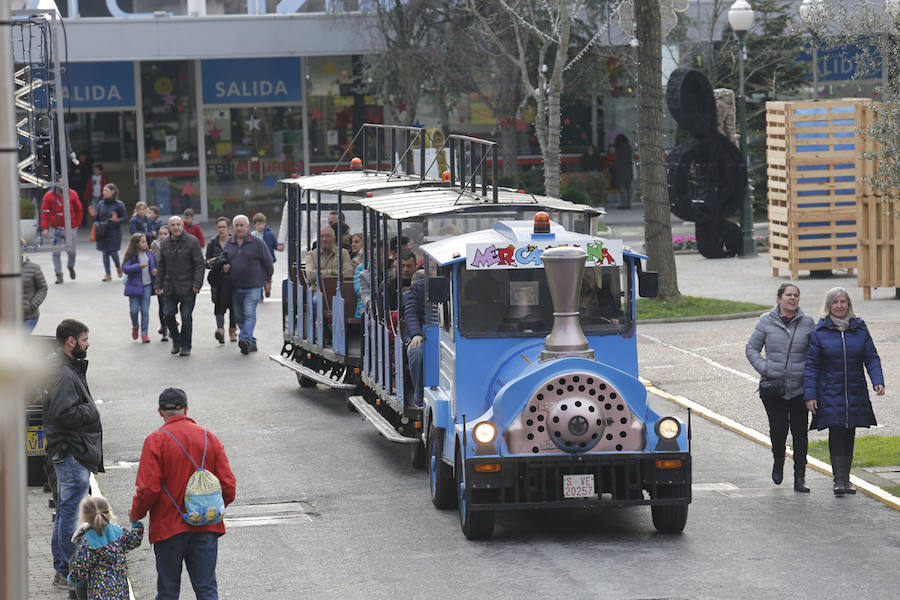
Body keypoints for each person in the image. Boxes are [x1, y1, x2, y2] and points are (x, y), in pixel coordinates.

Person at [130, 388, 236, 600]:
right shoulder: (209, 438)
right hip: (206, 525)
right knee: (206, 588)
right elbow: (229, 486)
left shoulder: (156, 440)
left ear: (160, 412)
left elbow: (149, 488)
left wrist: (136, 513)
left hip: (168, 527)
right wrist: (209, 508)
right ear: (186, 409)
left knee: (168, 591)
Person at [804, 287, 885, 495]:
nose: (839, 306)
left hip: (854, 389)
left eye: (843, 302)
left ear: (848, 304)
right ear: (828, 306)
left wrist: (877, 380)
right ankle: (838, 479)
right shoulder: (820, 330)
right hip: (829, 390)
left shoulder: (859, 327)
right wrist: (810, 394)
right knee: (837, 429)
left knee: (850, 431)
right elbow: (811, 365)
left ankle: (846, 478)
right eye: (835, 302)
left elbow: (871, 356)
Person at [44, 319, 104, 592]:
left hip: (68, 448)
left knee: (67, 509)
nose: (87, 343)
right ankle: (67, 570)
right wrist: (91, 410)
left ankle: (63, 569)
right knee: (70, 511)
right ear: (71, 341)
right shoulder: (64, 373)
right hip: (70, 450)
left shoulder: (65, 367)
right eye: (84, 339)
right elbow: (63, 413)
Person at [745, 283, 815, 493]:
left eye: (796, 295)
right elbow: (751, 349)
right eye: (788, 295)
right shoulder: (766, 321)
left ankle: (800, 477)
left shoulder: (808, 322)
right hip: (774, 388)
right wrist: (766, 368)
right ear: (779, 299)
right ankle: (778, 461)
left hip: (799, 389)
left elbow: (814, 354)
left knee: (800, 433)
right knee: (778, 430)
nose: (792, 298)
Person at [67, 495, 144, 599]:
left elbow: (80, 566)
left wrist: (72, 579)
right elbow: (134, 540)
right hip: (121, 592)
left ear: (84, 516)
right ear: (108, 513)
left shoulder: (87, 541)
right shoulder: (119, 532)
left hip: (99, 593)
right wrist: (136, 524)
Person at [223, 214, 274, 354]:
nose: (239, 228)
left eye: (242, 225)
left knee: (249, 312)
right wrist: (223, 266)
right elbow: (224, 259)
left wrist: (268, 280)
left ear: (248, 227)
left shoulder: (258, 243)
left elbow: (268, 263)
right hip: (235, 287)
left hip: (254, 286)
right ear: (233, 228)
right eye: (237, 226)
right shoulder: (229, 243)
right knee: (239, 316)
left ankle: (244, 338)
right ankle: (251, 342)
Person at [155, 216, 205, 357]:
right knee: (168, 314)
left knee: (186, 317)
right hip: (170, 287)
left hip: (188, 287)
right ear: (169, 227)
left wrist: (197, 284)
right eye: (173, 225)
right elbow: (161, 266)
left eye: (178, 224)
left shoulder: (192, 241)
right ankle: (176, 341)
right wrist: (158, 284)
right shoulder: (164, 244)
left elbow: (199, 265)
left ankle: (186, 346)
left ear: (182, 226)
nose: (176, 227)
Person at [41, 182, 83, 284]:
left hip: (70, 227)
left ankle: (70, 266)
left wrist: (77, 223)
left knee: (72, 251)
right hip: (55, 228)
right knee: (56, 252)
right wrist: (45, 228)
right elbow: (45, 212)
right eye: (59, 182)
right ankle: (58, 274)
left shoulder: (72, 194)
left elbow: (79, 209)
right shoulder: (49, 196)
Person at [206, 217, 237, 344]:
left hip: (233, 279)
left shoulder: (235, 242)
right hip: (218, 280)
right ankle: (220, 330)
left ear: (229, 229)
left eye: (224, 227)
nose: (221, 229)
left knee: (233, 306)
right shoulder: (212, 243)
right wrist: (214, 263)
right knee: (219, 305)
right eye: (219, 227)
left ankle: (232, 331)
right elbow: (206, 262)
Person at [122, 233, 157, 343]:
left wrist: (154, 271)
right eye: (142, 242)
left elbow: (153, 266)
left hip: (147, 286)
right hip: (134, 287)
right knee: (133, 311)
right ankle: (135, 326)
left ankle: (144, 333)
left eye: (146, 241)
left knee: (145, 311)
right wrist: (138, 266)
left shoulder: (149, 254)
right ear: (136, 244)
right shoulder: (132, 255)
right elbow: (125, 268)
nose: (145, 243)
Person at [92, 183, 127, 281]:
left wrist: (117, 220)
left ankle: (118, 266)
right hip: (103, 231)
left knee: (113, 252)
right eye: (103, 190)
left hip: (114, 231)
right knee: (105, 253)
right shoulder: (100, 204)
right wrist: (94, 215)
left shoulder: (119, 204)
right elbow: (98, 218)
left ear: (113, 191)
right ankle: (108, 274)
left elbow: (124, 217)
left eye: (106, 190)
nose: (104, 192)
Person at [402, 270, 427, 408]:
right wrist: (416, 334)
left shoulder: (451, 285)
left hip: (446, 335)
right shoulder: (417, 288)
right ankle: (419, 396)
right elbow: (410, 314)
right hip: (420, 334)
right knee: (416, 350)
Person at [151, 225, 172, 342]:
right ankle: (164, 329)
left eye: (165, 233)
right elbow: (151, 260)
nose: (163, 236)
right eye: (160, 234)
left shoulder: (174, 244)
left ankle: (171, 324)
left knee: (171, 305)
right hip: (160, 280)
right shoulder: (154, 246)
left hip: (172, 280)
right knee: (162, 305)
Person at [22, 241, 48, 333]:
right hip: (6, 317)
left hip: (28, 316)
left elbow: (42, 288)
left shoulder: (34, 268)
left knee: (20, 341)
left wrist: (31, 306)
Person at [613, 134, 634, 209]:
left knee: (623, 188)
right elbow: (630, 159)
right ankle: (629, 203)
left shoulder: (618, 148)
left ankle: (623, 204)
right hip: (629, 170)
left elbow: (617, 161)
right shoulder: (629, 147)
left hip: (621, 170)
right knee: (629, 188)